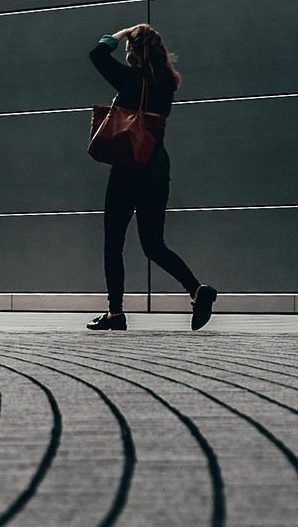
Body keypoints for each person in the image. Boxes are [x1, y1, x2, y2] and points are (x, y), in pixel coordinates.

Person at [85, 23, 218, 332]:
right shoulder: (166, 83)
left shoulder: (130, 80)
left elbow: (97, 54)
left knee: (113, 244)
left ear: (134, 52)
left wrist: (119, 34)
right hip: (156, 171)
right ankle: (198, 290)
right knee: (154, 245)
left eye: (130, 47)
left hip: (128, 170)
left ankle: (115, 314)